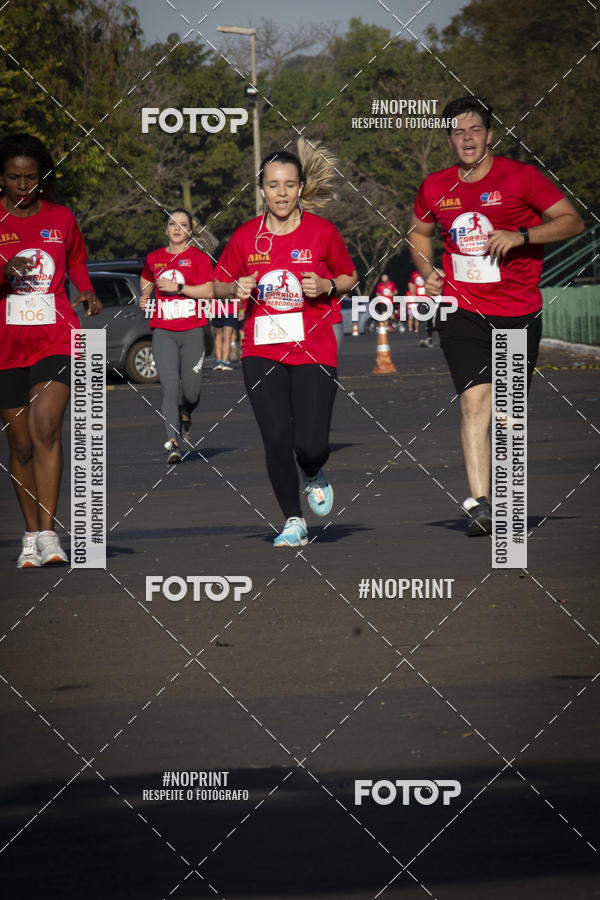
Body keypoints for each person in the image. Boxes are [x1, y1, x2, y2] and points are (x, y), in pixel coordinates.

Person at [410, 96, 584, 536]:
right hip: (462, 309)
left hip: (517, 310)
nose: (467, 139)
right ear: (449, 139)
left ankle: (505, 499)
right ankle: (481, 505)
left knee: (507, 412)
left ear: (489, 135)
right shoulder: (435, 186)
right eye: (458, 132)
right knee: (474, 403)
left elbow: (571, 221)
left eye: (475, 130)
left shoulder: (521, 177)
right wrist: (428, 272)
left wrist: (522, 235)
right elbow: (419, 232)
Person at [214, 139, 357, 547]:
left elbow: (349, 276)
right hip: (261, 350)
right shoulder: (246, 236)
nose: (281, 193)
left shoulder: (322, 232)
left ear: (300, 187)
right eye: (273, 185)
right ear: (261, 188)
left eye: (289, 185)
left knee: (310, 445)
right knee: (276, 437)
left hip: (314, 349)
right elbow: (221, 282)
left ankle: (312, 470)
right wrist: (235, 287)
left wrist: (327, 285)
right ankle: (293, 521)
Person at [0, 133, 102, 568]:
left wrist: (86, 289)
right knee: (21, 444)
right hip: (6, 345)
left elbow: (76, 259)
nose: (24, 185)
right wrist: (4, 269)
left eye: (31, 177)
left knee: (45, 425)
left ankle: (48, 534)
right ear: (2, 178)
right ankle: (29, 536)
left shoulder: (60, 218)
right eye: (15, 177)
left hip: (56, 336)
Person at [139, 209, 214, 463]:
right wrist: (145, 296)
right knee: (169, 386)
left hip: (193, 330)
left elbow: (208, 291)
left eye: (183, 224)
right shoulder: (154, 258)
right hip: (163, 331)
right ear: (166, 230)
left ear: (190, 232)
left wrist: (179, 288)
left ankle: (186, 410)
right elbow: (146, 279)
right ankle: (173, 443)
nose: (177, 228)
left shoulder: (199, 258)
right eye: (172, 223)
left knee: (192, 392)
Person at [212, 296, 242, 372]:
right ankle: (225, 362)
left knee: (218, 335)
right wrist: (241, 309)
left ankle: (219, 362)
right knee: (227, 337)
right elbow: (239, 296)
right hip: (231, 309)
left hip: (217, 308)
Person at [407, 270, 434, 347]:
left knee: (430, 320)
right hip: (420, 299)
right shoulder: (414, 274)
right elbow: (411, 283)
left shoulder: (430, 272)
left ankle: (429, 337)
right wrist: (413, 293)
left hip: (430, 298)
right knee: (421, 319)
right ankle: (421, 339)